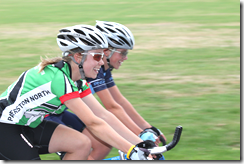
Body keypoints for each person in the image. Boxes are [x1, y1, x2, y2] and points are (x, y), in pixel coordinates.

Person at [0, 24, 154, 160]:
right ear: (78, 57)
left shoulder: (78, 80)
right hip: (5, 126)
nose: (101, 62)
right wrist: (131, 150)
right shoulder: (60, 79)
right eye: (97, 56)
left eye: (103, 56)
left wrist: (141, 145)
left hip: (29, 124)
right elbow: (94, 123)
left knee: (81, 143)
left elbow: (104, 115)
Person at [45, 21, 166, 160]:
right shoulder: (92, 71)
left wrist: (147, 130)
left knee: (103, 145)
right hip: (45, 116)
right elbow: (111, 108)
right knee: (83, 146)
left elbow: (119, 101)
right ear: (107, 51)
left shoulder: (103, 70)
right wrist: (140, 137)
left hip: (59, 112)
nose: (125, 57)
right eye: (123, 52)